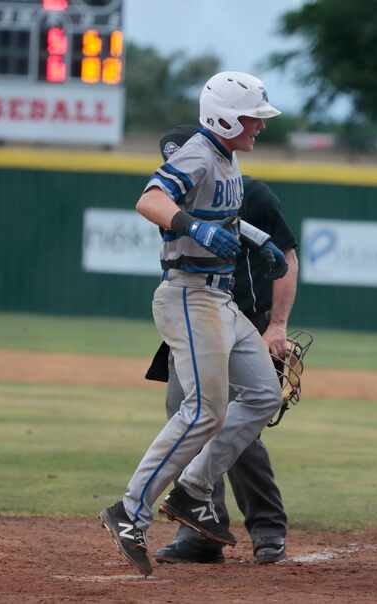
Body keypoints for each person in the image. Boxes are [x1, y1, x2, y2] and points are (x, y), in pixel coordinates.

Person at [98, 71, 284, 577]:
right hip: (189, 295)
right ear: (223, 117)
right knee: (203, 410)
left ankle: (194, 489)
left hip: (220, 299)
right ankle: (128, 513)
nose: (259, 127)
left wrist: (252, 235)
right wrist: (192, 225)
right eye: (252, 118)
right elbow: (151, 200)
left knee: (265, 395)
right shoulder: (200, 153)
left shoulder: (227, 157)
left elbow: (218, 214)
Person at [145, 125, 298, 565]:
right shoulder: (172, 201)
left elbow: (287, 258)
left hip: (245, 319)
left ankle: (268, 527)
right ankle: (203, 533)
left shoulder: (251, 192)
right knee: (186, 418)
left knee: (239, 431)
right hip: (195, 320)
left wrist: (278, 326)